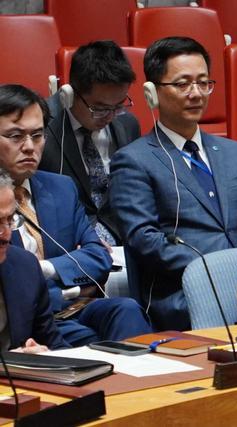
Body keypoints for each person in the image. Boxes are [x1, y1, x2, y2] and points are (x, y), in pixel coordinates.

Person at [110, 37, 237, 331]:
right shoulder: (133, 160)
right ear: (152, 93)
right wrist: (216, 269)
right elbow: (144, 239)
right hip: (184, 294)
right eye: (182, 84)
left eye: (203, 83)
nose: (196, 93)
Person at [0, 84, 151, 346]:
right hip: (25, 317)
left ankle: (140, 375)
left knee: (126, 310)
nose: (29, 147)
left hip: (74, 308)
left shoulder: (61, 187)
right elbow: (12, 280)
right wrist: (69, 283)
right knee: (90, 343)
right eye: (15, 136)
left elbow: (98, 257)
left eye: (37, 135)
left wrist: (43, 268)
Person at [41, 40, 140, 245]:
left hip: (124, 237)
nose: (110, 116)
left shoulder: (128, 124)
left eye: (119, 106)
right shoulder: (40, 128)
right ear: (70, 94)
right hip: (69, 240)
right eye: (100, 108)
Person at [0, 170, 68, 352]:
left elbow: (54, 345)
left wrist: (43, 353)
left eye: (10, 220)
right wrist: (14, 360)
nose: (6, 234)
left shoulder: (25, 266)